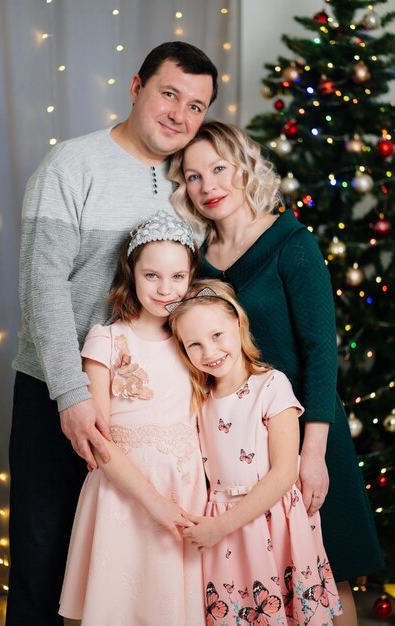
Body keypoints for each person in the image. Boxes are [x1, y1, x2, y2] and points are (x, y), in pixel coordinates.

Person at [8, 42, 217, 626]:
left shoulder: (191, 182)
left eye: (196, 106)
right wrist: (70, 395)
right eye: (169, 94)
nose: (180, 115)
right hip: (63, 391)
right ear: (136, 87)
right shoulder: (72, 164)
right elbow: (42, 284)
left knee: (130, 569)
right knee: (43, 556)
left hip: (151, 407)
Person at [168, 120, 383, 626]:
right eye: (193, 177)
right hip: (236, 446)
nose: (209, 186)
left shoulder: (292, 242)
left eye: (219, 168)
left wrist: (313, 454)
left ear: (244, 168)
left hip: (307, 433)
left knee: (328, 576)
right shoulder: (196, 264)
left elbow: (319, 352)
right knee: (258, 577)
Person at [59, 210, 207, 625]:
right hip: (124, 493)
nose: (165, 289)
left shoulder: (192, 342)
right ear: (131, 273)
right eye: (152, 276)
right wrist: (153, 503)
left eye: (178, 277)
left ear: (192, 276)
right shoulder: (106, 339)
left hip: (185, 489)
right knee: (120, 604)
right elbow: (98, 439)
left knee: (171, 604)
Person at [167, 279, 343, 625]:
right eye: (194, 345)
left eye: (216, 335)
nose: (210, 352)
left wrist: (220, 527)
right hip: (225, 531)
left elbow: (282, 475)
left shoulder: (271, 385)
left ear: (237, 323)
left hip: (273, 520)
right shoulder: (199, 400)